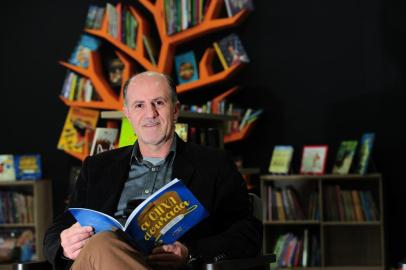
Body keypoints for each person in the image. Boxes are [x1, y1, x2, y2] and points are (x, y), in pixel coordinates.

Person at [43, 71, 261, 270]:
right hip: (96, 261)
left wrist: (190, 251)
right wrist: (64, 244)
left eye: (159, 102)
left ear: (175, 110)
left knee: (103, 243)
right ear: (127, 113)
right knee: (103, 242)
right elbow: (61, 225)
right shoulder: (97, 167)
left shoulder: (214, 164)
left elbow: (248, 233)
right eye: (139, 105)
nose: (150, 114)